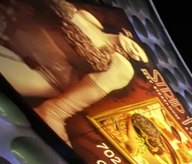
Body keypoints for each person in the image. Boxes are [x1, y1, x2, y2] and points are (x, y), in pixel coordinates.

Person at [0, 0, 148, 143]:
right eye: (139, 48)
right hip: (13, 26)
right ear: (128, 34)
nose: (135, 52)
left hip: (41, 74)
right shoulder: (89, 18)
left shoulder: (121, 65)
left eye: (138, 57)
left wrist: (54, 114)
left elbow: (55, 111)